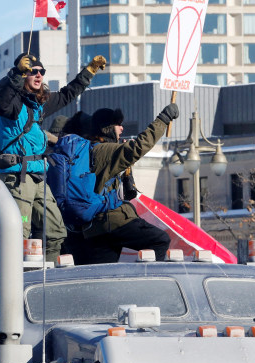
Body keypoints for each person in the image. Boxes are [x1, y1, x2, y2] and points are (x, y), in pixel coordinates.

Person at [0, 52, 107, 262]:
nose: (38, 75)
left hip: (37, 176)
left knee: (55, 231)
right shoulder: (12, 102)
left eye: (41, 72)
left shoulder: (37, 104)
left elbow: (67, 94)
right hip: (18, 178)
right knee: (19, 233)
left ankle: (47, 277)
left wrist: (88, 72)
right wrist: (16, 74)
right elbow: (3, 104)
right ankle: (15, 282)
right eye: (32, 71)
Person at [65, 104, 180, 264]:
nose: (121, 128)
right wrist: (163, 119)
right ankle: (149, 282)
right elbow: (139, 147)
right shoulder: (105, 150)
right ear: (106, 128)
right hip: (113, 220)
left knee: (102, 274)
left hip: (94, 228)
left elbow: (124, 191)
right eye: (118, 124)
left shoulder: (89, 151)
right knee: (159, 240)